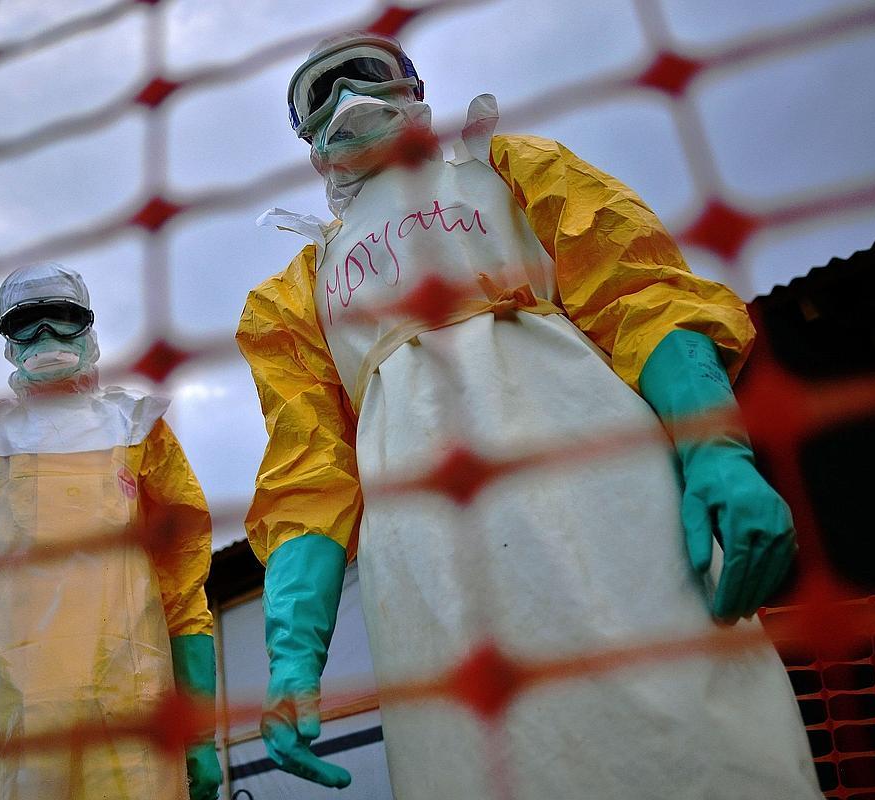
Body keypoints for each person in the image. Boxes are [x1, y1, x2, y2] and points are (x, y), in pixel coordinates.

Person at [236, 32, 821, 799]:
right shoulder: (292, 297)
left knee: (690, 716)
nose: (349, 99)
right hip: (425, 559)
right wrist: (292, 657)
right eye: (323, 94)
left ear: (414, 90)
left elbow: (640, 299)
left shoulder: (513, 171)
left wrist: (716, 451)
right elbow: (306, 474)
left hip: (602, 490)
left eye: (367, 75)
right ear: (309, 142)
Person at [0, 262, 220, 800]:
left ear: (88, 326)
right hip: (9, 718)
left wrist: (198, 736)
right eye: (27, 323)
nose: (45, 336)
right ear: (6, 341)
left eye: (61, 318)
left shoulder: (140, 429)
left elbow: (184, 586)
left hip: (132, 720)